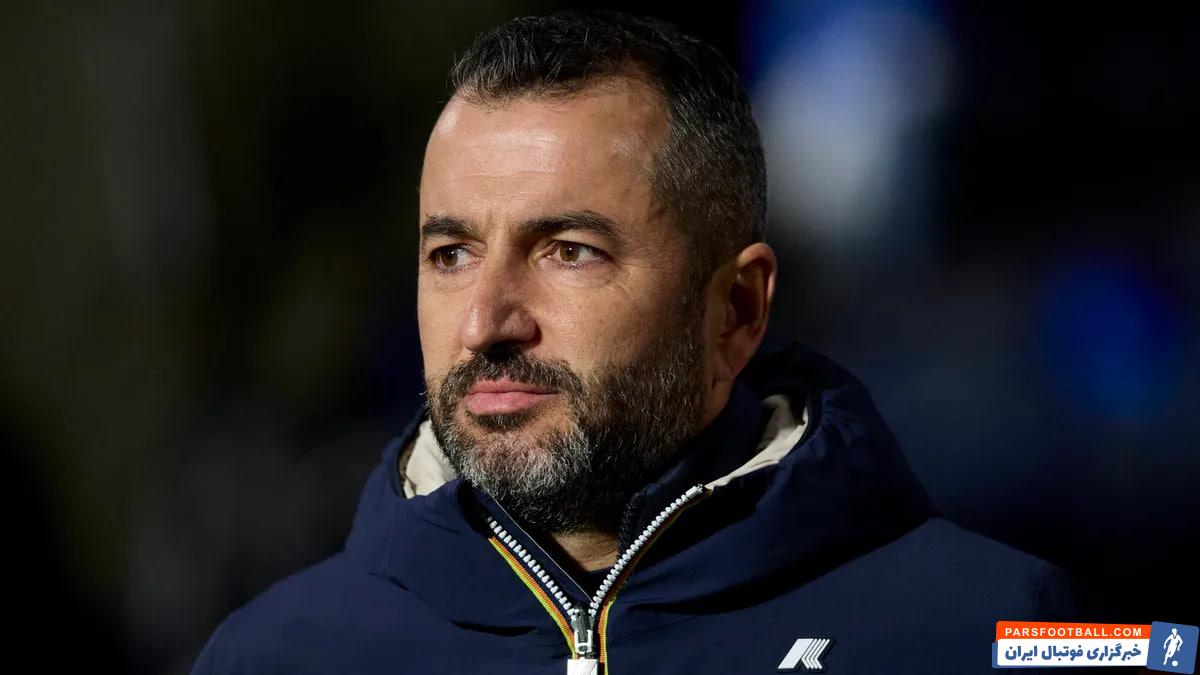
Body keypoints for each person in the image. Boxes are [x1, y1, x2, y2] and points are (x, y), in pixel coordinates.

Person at [190, 10, 1082, 674]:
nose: (485, 323)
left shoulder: (995, 630)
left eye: (568, 251)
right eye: (451, 254)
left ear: (735, 309)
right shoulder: (271, 655)